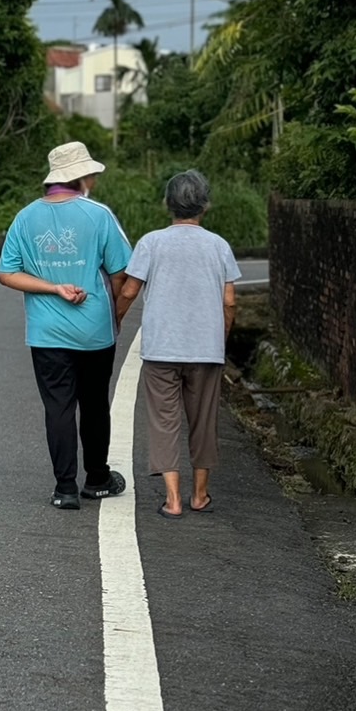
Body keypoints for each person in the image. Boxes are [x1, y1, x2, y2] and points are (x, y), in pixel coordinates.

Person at [0, 140, 132, 510]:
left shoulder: (25, 218)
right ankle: (99, 478)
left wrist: (51, 287)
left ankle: (65, 488)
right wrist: (115, 314)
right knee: (93, 404)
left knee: (57, 406)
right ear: (82, 176)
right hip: (94, 330)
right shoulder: (99, 215)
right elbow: (122, 273)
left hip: (45, 332)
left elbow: (6, 274)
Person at [114, 169, 241, 519]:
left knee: (164, 420)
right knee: (203, 421)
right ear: (206, 205)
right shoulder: (219, 246)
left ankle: (172, 499)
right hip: (206, 350)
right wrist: (221, 337)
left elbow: (128, 289)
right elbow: (229, 301)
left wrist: (117, 321)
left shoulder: (151, 242)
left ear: (168, 204)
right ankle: (200, 495)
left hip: (161, 349)